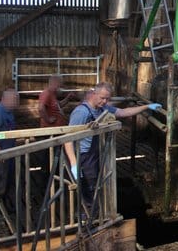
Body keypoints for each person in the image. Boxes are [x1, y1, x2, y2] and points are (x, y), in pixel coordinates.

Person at [63, 82, 161, 214]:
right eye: (102, 98)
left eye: (107, 98)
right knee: (87, 189)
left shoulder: (102, 109)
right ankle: (85, 219)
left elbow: (123, 112)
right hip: (83, 156)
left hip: (95, 154)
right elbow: (68, 139)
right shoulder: (81, 112)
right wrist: (74, 163)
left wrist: (147, 106)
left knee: (94, 186)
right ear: (93, 94)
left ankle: (92, 216)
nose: (105, 101)